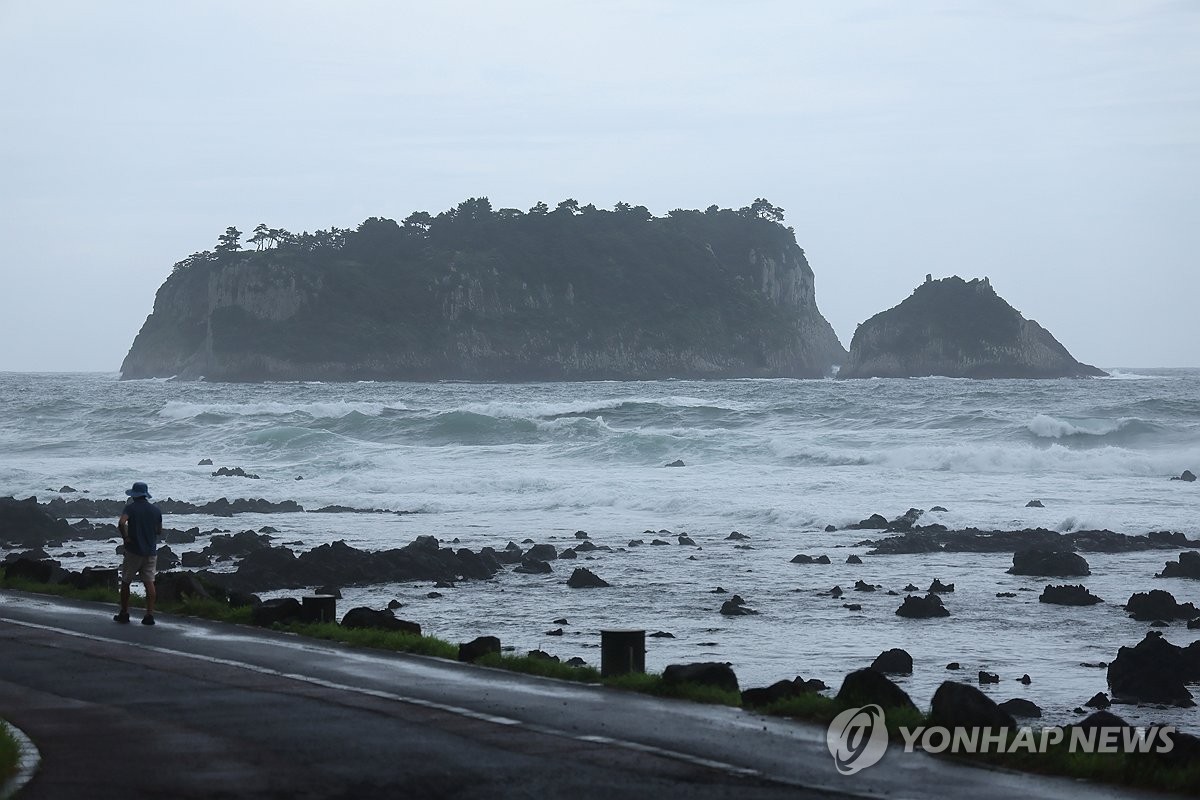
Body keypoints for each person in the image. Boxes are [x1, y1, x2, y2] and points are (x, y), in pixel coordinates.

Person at [115, 481, 163, 625]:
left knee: (126, 582)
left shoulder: (130, 508)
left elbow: (121, 523)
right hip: (151, 551)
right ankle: (149, 615)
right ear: (146, 495)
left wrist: (126, 537)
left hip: (134, 551)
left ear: (134, 495)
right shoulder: (155, 510)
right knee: (149, 582)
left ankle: (124, 613)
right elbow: (159, 531)